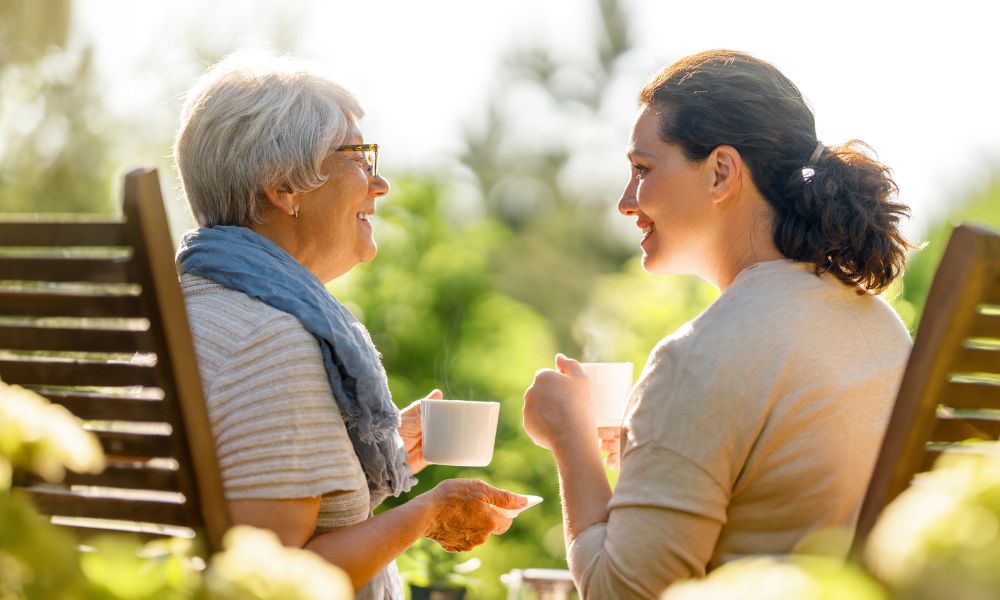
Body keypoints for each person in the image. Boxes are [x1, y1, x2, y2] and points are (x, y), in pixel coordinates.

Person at [521, 49, 915, 599]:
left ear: (721, 171)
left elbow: (625, 594)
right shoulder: (880, 326)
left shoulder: (699, 357)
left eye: (642, 170)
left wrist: (569, 437)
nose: (624, 201)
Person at [172, 52, 526, 599]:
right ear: (284, 185)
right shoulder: (273, 342)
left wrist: (349, 458)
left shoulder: (193, 310)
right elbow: (272, 582)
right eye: (359, 157)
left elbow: (254, 508)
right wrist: (427, 514)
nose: (379, 184)